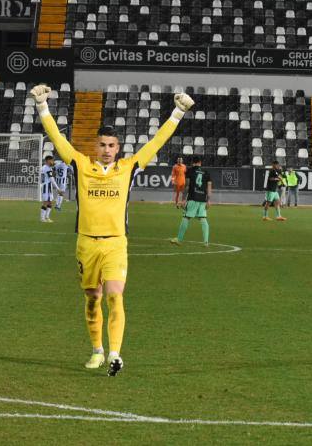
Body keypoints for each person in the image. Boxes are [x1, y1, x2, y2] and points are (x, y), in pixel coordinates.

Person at [31, 83, 193, 376]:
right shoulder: (81, 165)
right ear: (96, 147)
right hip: (86, 244)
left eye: (112, 146)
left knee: (115, 296)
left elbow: (156, 142)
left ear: (119, 149)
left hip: (116, 244)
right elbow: (58, 140)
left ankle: (116, 353)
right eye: (102, 145)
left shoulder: (129, 168)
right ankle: (97, 350)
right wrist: (42, 106)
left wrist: (178, 112)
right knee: (93, 300)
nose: (107, 150)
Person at [170, 156, 211, 247]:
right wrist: (208, 200)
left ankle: (179, 239)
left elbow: (187, 186)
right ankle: (206, 242)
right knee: (203, 218)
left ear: (193, 162)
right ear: (200, 162)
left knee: (186, 217)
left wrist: (183, 199)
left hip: (193, 198)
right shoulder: (206, 172)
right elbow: (209, 187)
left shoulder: (190, 171)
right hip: (202, 199)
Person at [39, 155, 61, 223]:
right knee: (45, 202)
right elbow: (52, 179)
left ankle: (47, 217)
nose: (52, 161)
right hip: (46, 187)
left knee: (50, 202)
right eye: (51, 160)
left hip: (48, 187)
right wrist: (58, 189)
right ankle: (43, 218)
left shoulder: (45, 167)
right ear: (48, 161)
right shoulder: (47, 168)